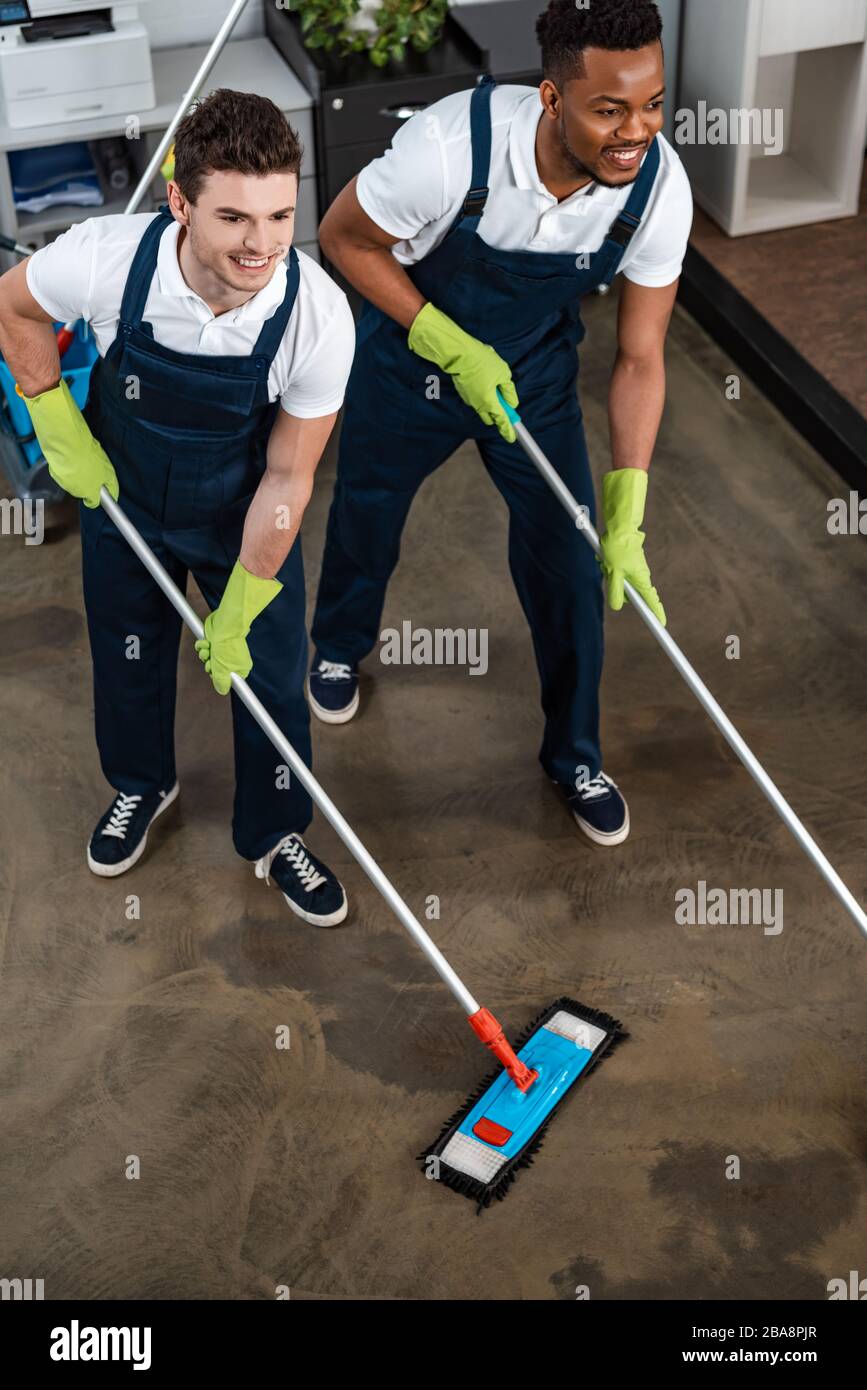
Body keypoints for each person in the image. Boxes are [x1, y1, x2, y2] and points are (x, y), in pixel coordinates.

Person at [308, 0, 692, 847]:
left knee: (571, 558)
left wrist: (628, 499)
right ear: (552, 99)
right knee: (367, 510)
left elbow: (640, 357)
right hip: (411, 360)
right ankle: (337, 645)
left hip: (533, 377)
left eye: (653, 104)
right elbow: (342, 238)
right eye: (609, 110)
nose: (637, 132)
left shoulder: (658, 187)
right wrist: (445, 343)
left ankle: (574, 756)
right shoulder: (451, 149)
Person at [0, 89, 355, 925]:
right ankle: (142, 784)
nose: (262, 244)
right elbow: (12, 305)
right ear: (180, 203)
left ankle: (276, 831)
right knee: (127, 655)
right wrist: (53, 417)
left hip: (241, 512)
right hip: (120, 495)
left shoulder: (316, 316)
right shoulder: (106, 260)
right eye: (234, 217)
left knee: (268, 674)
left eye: (279, 216)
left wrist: (245, 597)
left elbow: (289, 478)